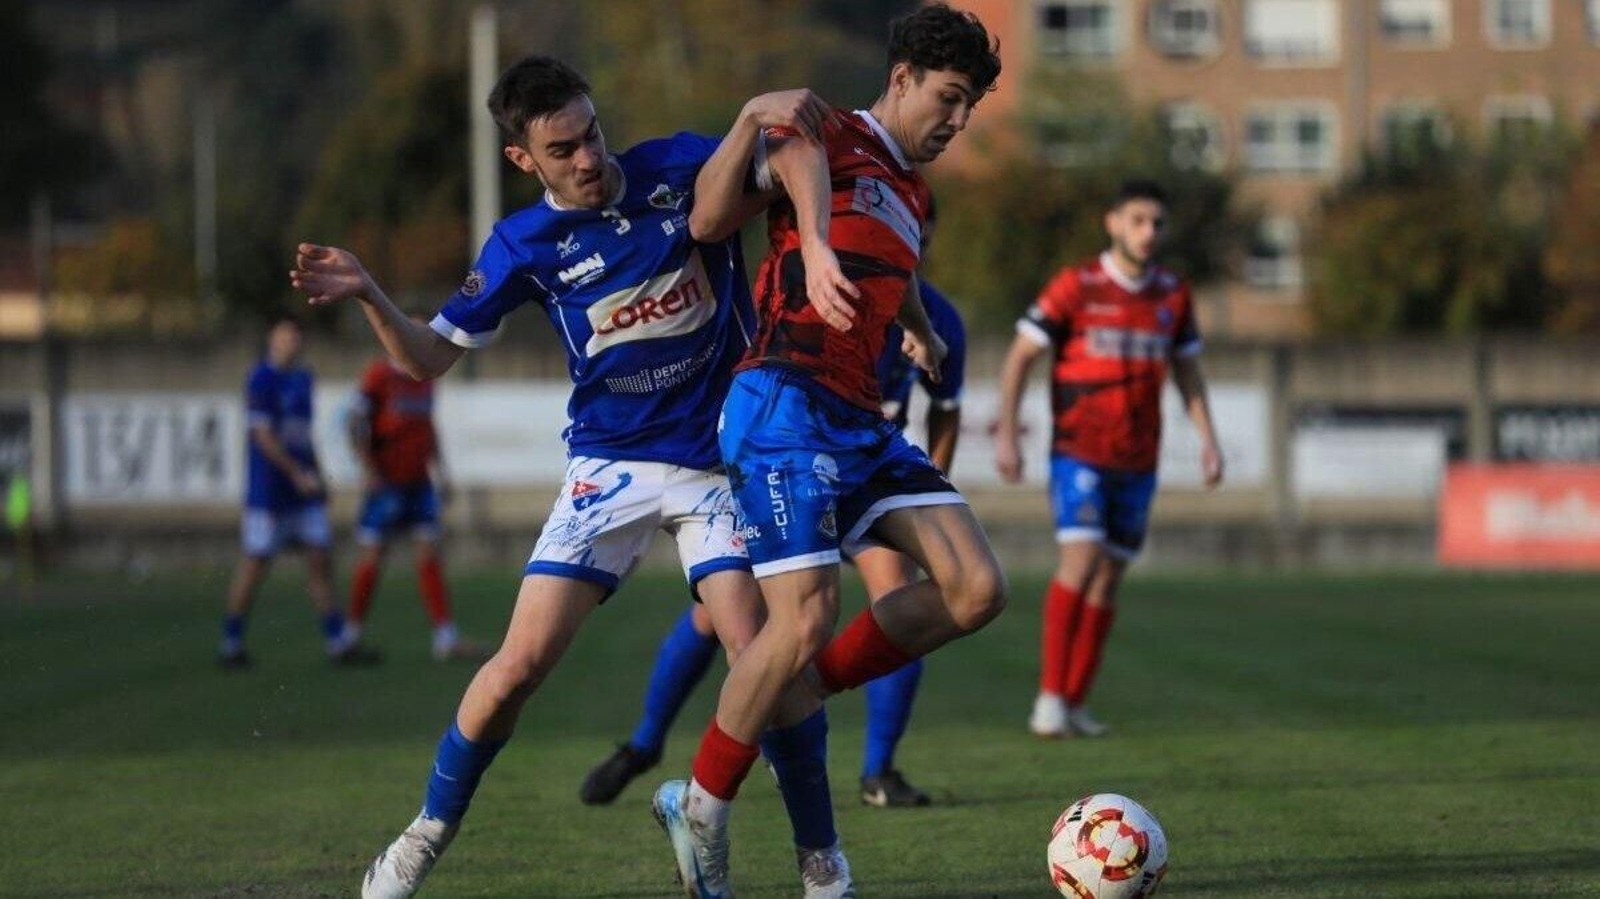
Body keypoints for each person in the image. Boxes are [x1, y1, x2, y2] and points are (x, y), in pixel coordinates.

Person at [290, 55, 857, 899]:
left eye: (592, 133)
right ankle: (422, 835)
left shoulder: (676, 168)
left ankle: (821, 860)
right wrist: (372, 290)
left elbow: (802, 155)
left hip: (718, 463)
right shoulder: (523, 245)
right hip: (609, 467)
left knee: (761, 653)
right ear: (524, 159)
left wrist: (812, 238)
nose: (590, 158)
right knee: (517, 666)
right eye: (563, 149)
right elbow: (430, 358)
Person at [649, 6, 1005, 895]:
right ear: (901, 80)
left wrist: (920, 331)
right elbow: (748, 185)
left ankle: (803, 688)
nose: (957, 123)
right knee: (802, 616)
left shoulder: (915, 190)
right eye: (949, 99)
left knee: (975, 588)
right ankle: (699, 800)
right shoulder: (834, 133)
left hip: (859, 418)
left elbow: (899, 266)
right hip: (781, 403)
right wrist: (809, 239)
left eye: (970, 109)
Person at [581, 202, 967, 810]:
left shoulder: (936, 317)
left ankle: (878, 772)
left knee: (900, 593)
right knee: (721, 616)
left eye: (919, 231)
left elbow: (946, 409)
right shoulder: (808, 285)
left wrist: (935, 476)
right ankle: (645, 743)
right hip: (786, 460)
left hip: (864, 464)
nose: (907, 240)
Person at [994, 179, 1224, 739]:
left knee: (1108, 578)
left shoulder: (1172, 294)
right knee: (1080, 560)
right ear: (1113, 223)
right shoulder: (1078, 286)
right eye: (1139, 220)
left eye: (1157, 223)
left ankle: (1074, 701)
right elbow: (1022, 353)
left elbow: (1188, 370)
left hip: (1138, 457)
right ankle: (1048, 698)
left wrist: (1208, 438)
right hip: (1080, 451)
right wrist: (1007, 430)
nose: (1149, 233)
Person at [218, 317, 373, 669]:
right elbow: (263, 437)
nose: (293, 341)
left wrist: (317, 475)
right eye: (286, 334)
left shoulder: (303, 379)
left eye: (297, 335)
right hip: (270, 492)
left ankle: (337, 641)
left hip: (303, 491)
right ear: (272, 338)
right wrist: (295, 473)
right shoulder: (261, 379)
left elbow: (304, 435)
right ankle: (231, 640)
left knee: (320, 559)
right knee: (256, 563)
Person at [343, 330, 487, 662]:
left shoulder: (425, 377)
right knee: (374, 555)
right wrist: (368, 469)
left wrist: (442, 473)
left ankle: (445, 637)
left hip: (419, 482)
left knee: (429, 553)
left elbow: (427, 427)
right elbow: (354, 422)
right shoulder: (379, 375)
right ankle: (351, 635)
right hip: (387, 483)